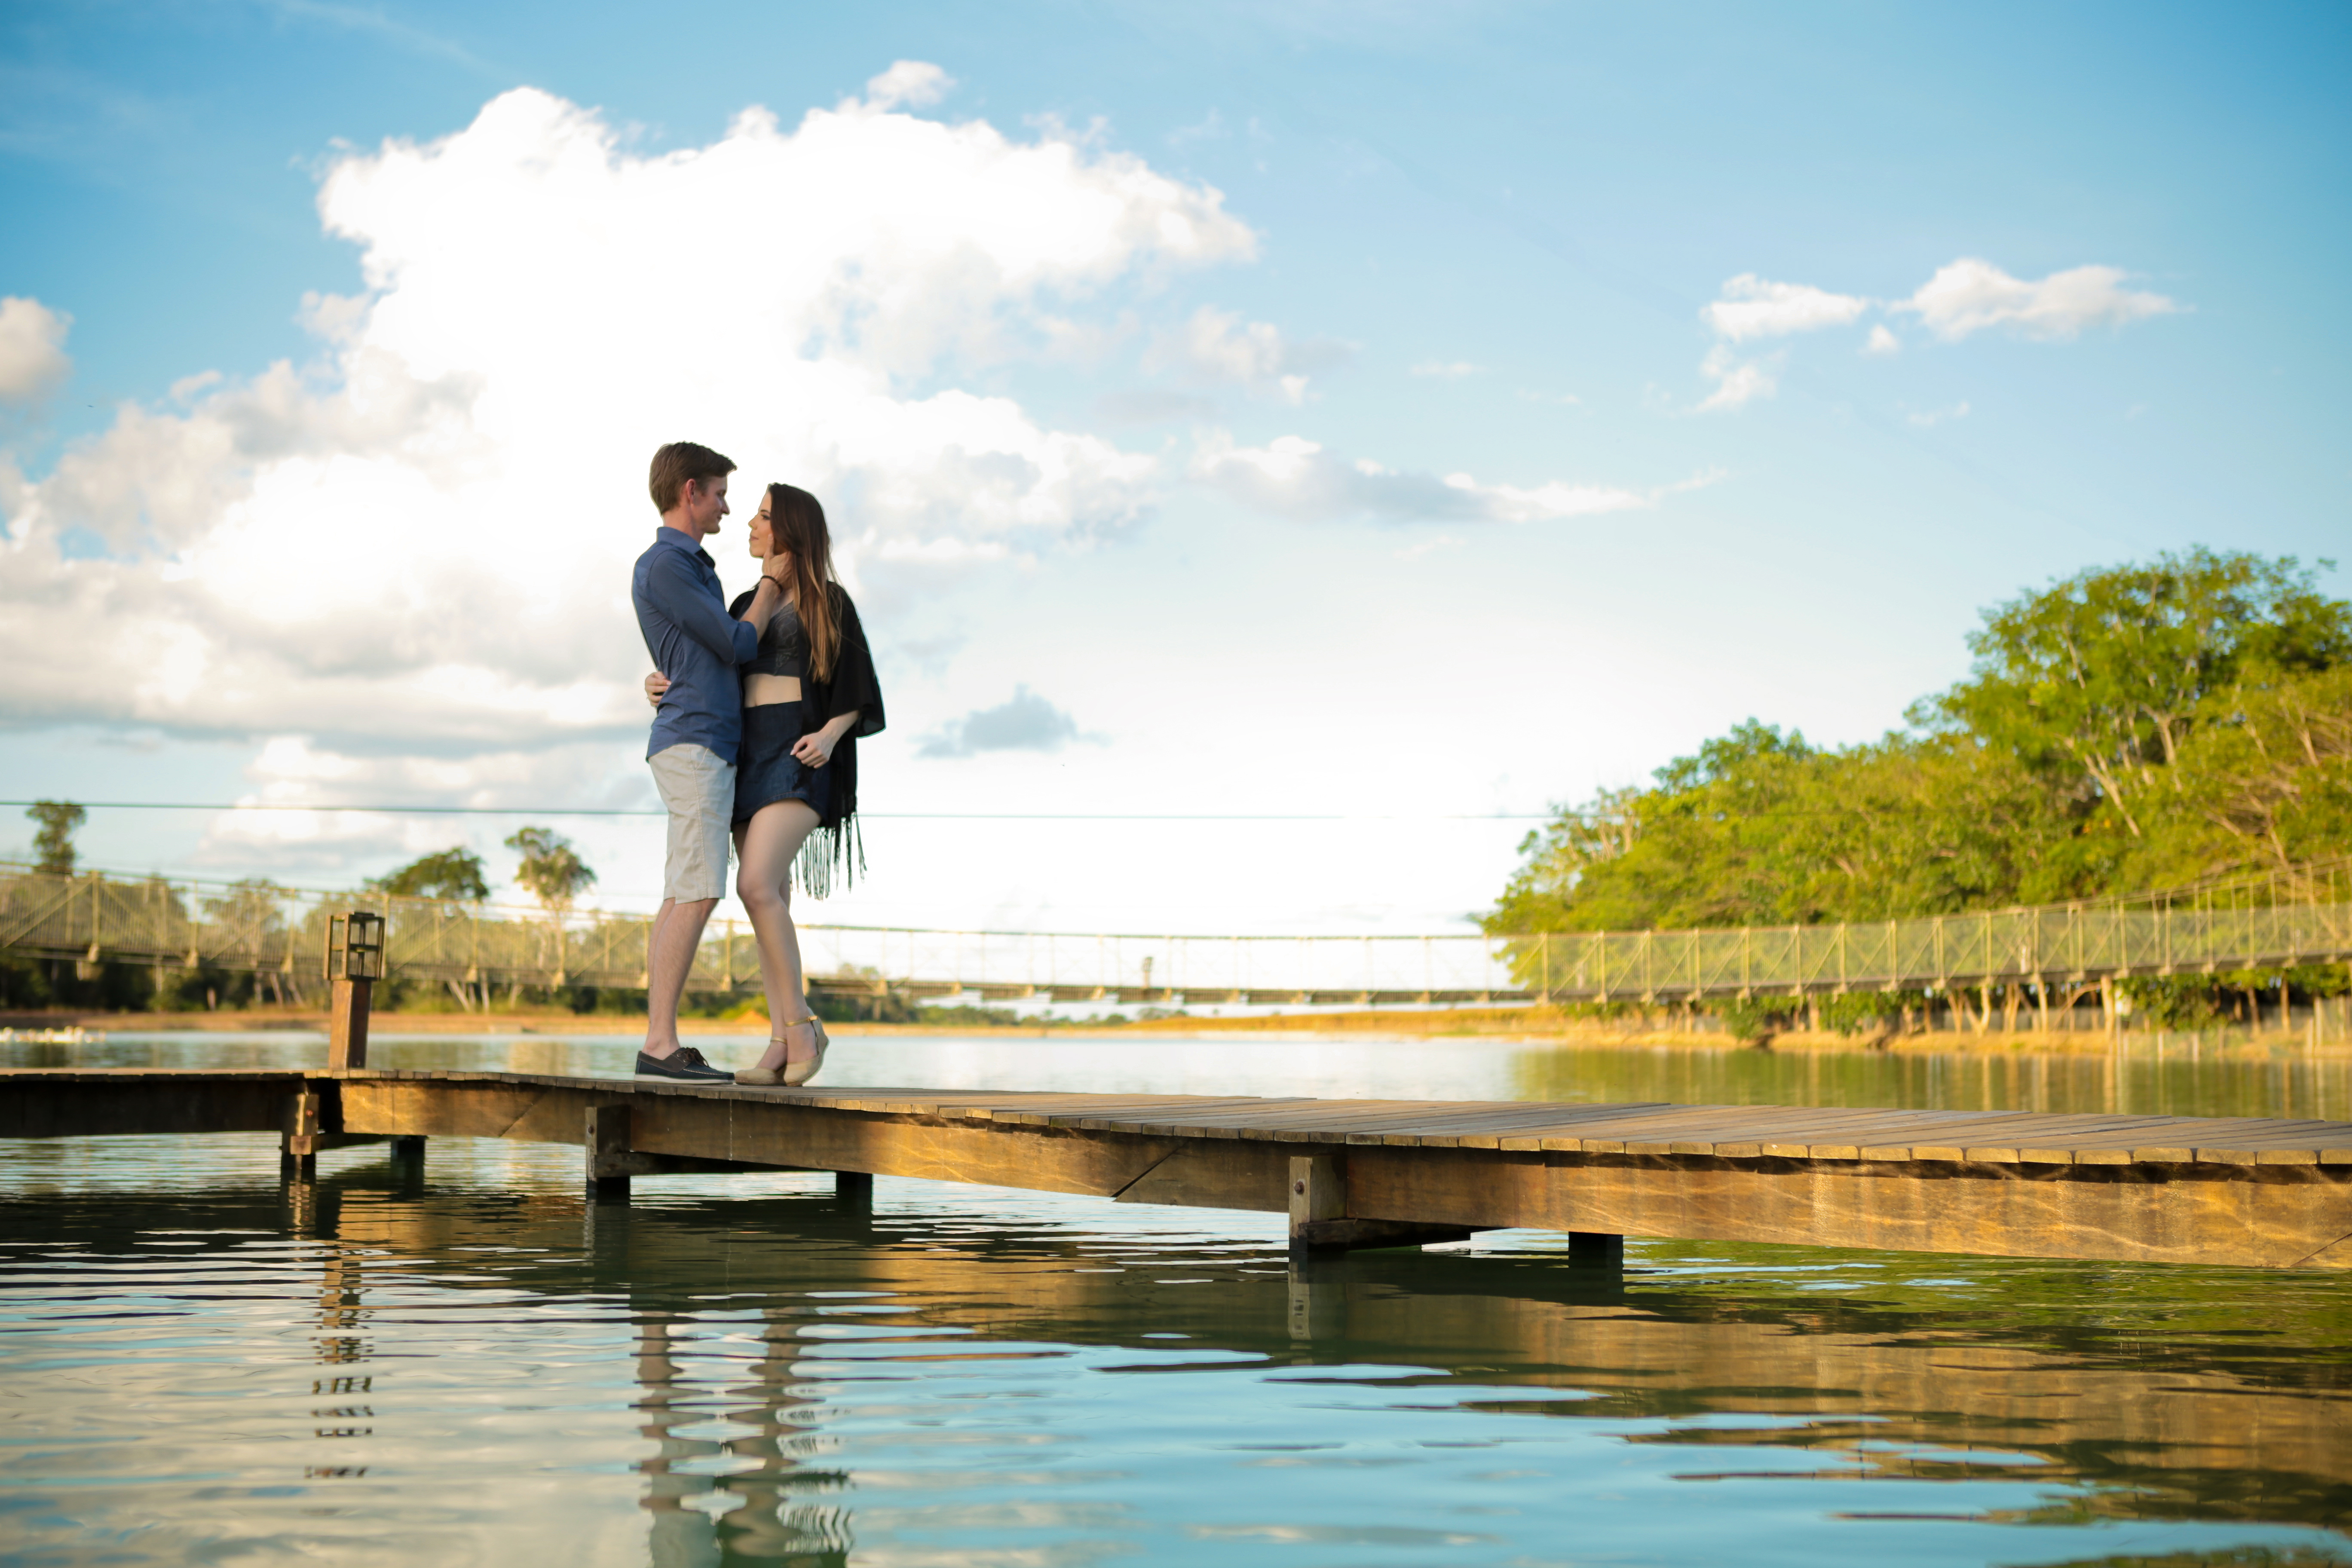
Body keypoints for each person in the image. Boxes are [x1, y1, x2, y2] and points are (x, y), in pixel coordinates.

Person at [646, 482, 884, 1086]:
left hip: (801, 756)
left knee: (754, 884)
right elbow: (712, 663)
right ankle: (780, 1041)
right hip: (747, 759)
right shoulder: (747, 600)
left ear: (791, 531)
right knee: (767, 898)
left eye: (763, 515)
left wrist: (831, 736)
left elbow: (861, 687)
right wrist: (660, 682)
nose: (749, 523)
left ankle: (801, 1027)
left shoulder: (830, 601)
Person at [628, 441, 795, 1082]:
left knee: (682, 893)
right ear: (690, 491)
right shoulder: (668, 565)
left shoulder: (692, 567)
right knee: (697, 893)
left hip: (701, 737)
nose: (728, 507)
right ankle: (661, 1047)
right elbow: (736, 642)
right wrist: (774, 586)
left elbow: (694, 655)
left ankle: (660, 1042)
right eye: (722, 494)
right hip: (695, 741)